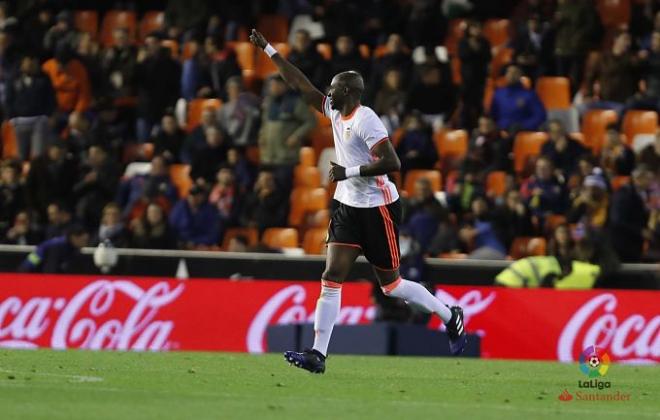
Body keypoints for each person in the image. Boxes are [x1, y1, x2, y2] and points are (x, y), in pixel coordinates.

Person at [249, 28, 466, 373]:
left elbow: (393, 162)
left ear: (348, 92)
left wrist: (348, 172)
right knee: (331, 276)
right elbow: (300, 85)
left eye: (333, 89)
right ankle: (318, 354)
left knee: (392, 286)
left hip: (378, 206)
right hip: (349, 206)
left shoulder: (367, 121)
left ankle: (449, 314)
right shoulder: (336, 112)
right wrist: (269, 50)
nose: (328, 94)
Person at [5, 53, 56, 160]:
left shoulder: (44, 78)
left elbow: (51, 98)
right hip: (19, 122)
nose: (30, 65)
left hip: (38, 121)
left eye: (33, 63)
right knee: (20, 156)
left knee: (38, 156)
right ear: (22, 64)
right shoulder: (14, 78)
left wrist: (47, 116)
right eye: (28, 63)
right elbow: (9, 99)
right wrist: (11, 118)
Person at [609, 165, 654, 262]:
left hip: (633, 245)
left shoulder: (640, 194)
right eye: (648, 179)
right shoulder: (624, 194)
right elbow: (618, 220)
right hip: (623, 245)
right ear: (639, 178)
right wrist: (640, 231)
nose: (650, 183)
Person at [490, 64, 547, 132]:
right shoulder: (498, 94)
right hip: (500, 133)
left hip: (521, 133)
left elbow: (540, 116)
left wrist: (523, 126)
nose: (511, 75)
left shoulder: (529, 95)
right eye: (509, 72)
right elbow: (493, 115)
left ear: (520, 75)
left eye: (515, 72)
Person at [19, 224, 89, 273]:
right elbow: (50, 271)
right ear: (74, 237)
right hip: (28, 272)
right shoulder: (56, 246)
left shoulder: (73, 247)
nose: (85, 243)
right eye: (84, 240)